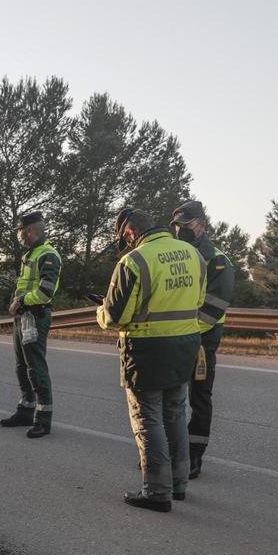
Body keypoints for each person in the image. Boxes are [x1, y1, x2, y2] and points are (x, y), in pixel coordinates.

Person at [96, 207, 205, 511]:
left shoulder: (134, 260)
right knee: (175, 414)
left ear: (130, 232)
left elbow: (117, 317)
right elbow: (198, 300)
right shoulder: (191, 254)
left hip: (147, 349)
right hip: (185, 343)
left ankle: (157, 491)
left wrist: (100, 312)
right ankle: (179, 484)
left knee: (148, 419)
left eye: (125, 237)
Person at [170, 200, 235, 479]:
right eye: (176, 226)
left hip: (201, 341)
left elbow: (212, 310)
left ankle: (193, 457)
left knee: (199, 397)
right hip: (174, 337)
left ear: (202, 226)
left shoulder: (217, 261)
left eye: (185, 226)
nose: (179, 230)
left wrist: (181, 331)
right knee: (169, 397)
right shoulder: (174, 255)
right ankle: (169, 455)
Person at [0, 211, 62, 438]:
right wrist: (18, 303)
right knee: (22, 366)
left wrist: (21, 301)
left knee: (35, 367)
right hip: (23, 317)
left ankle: (43, 419)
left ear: (30, 230)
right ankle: (25, 410)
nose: (20, 236)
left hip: (34, 316)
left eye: (22, 231)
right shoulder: (31, 254)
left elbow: (46, 292)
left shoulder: (48, 255)